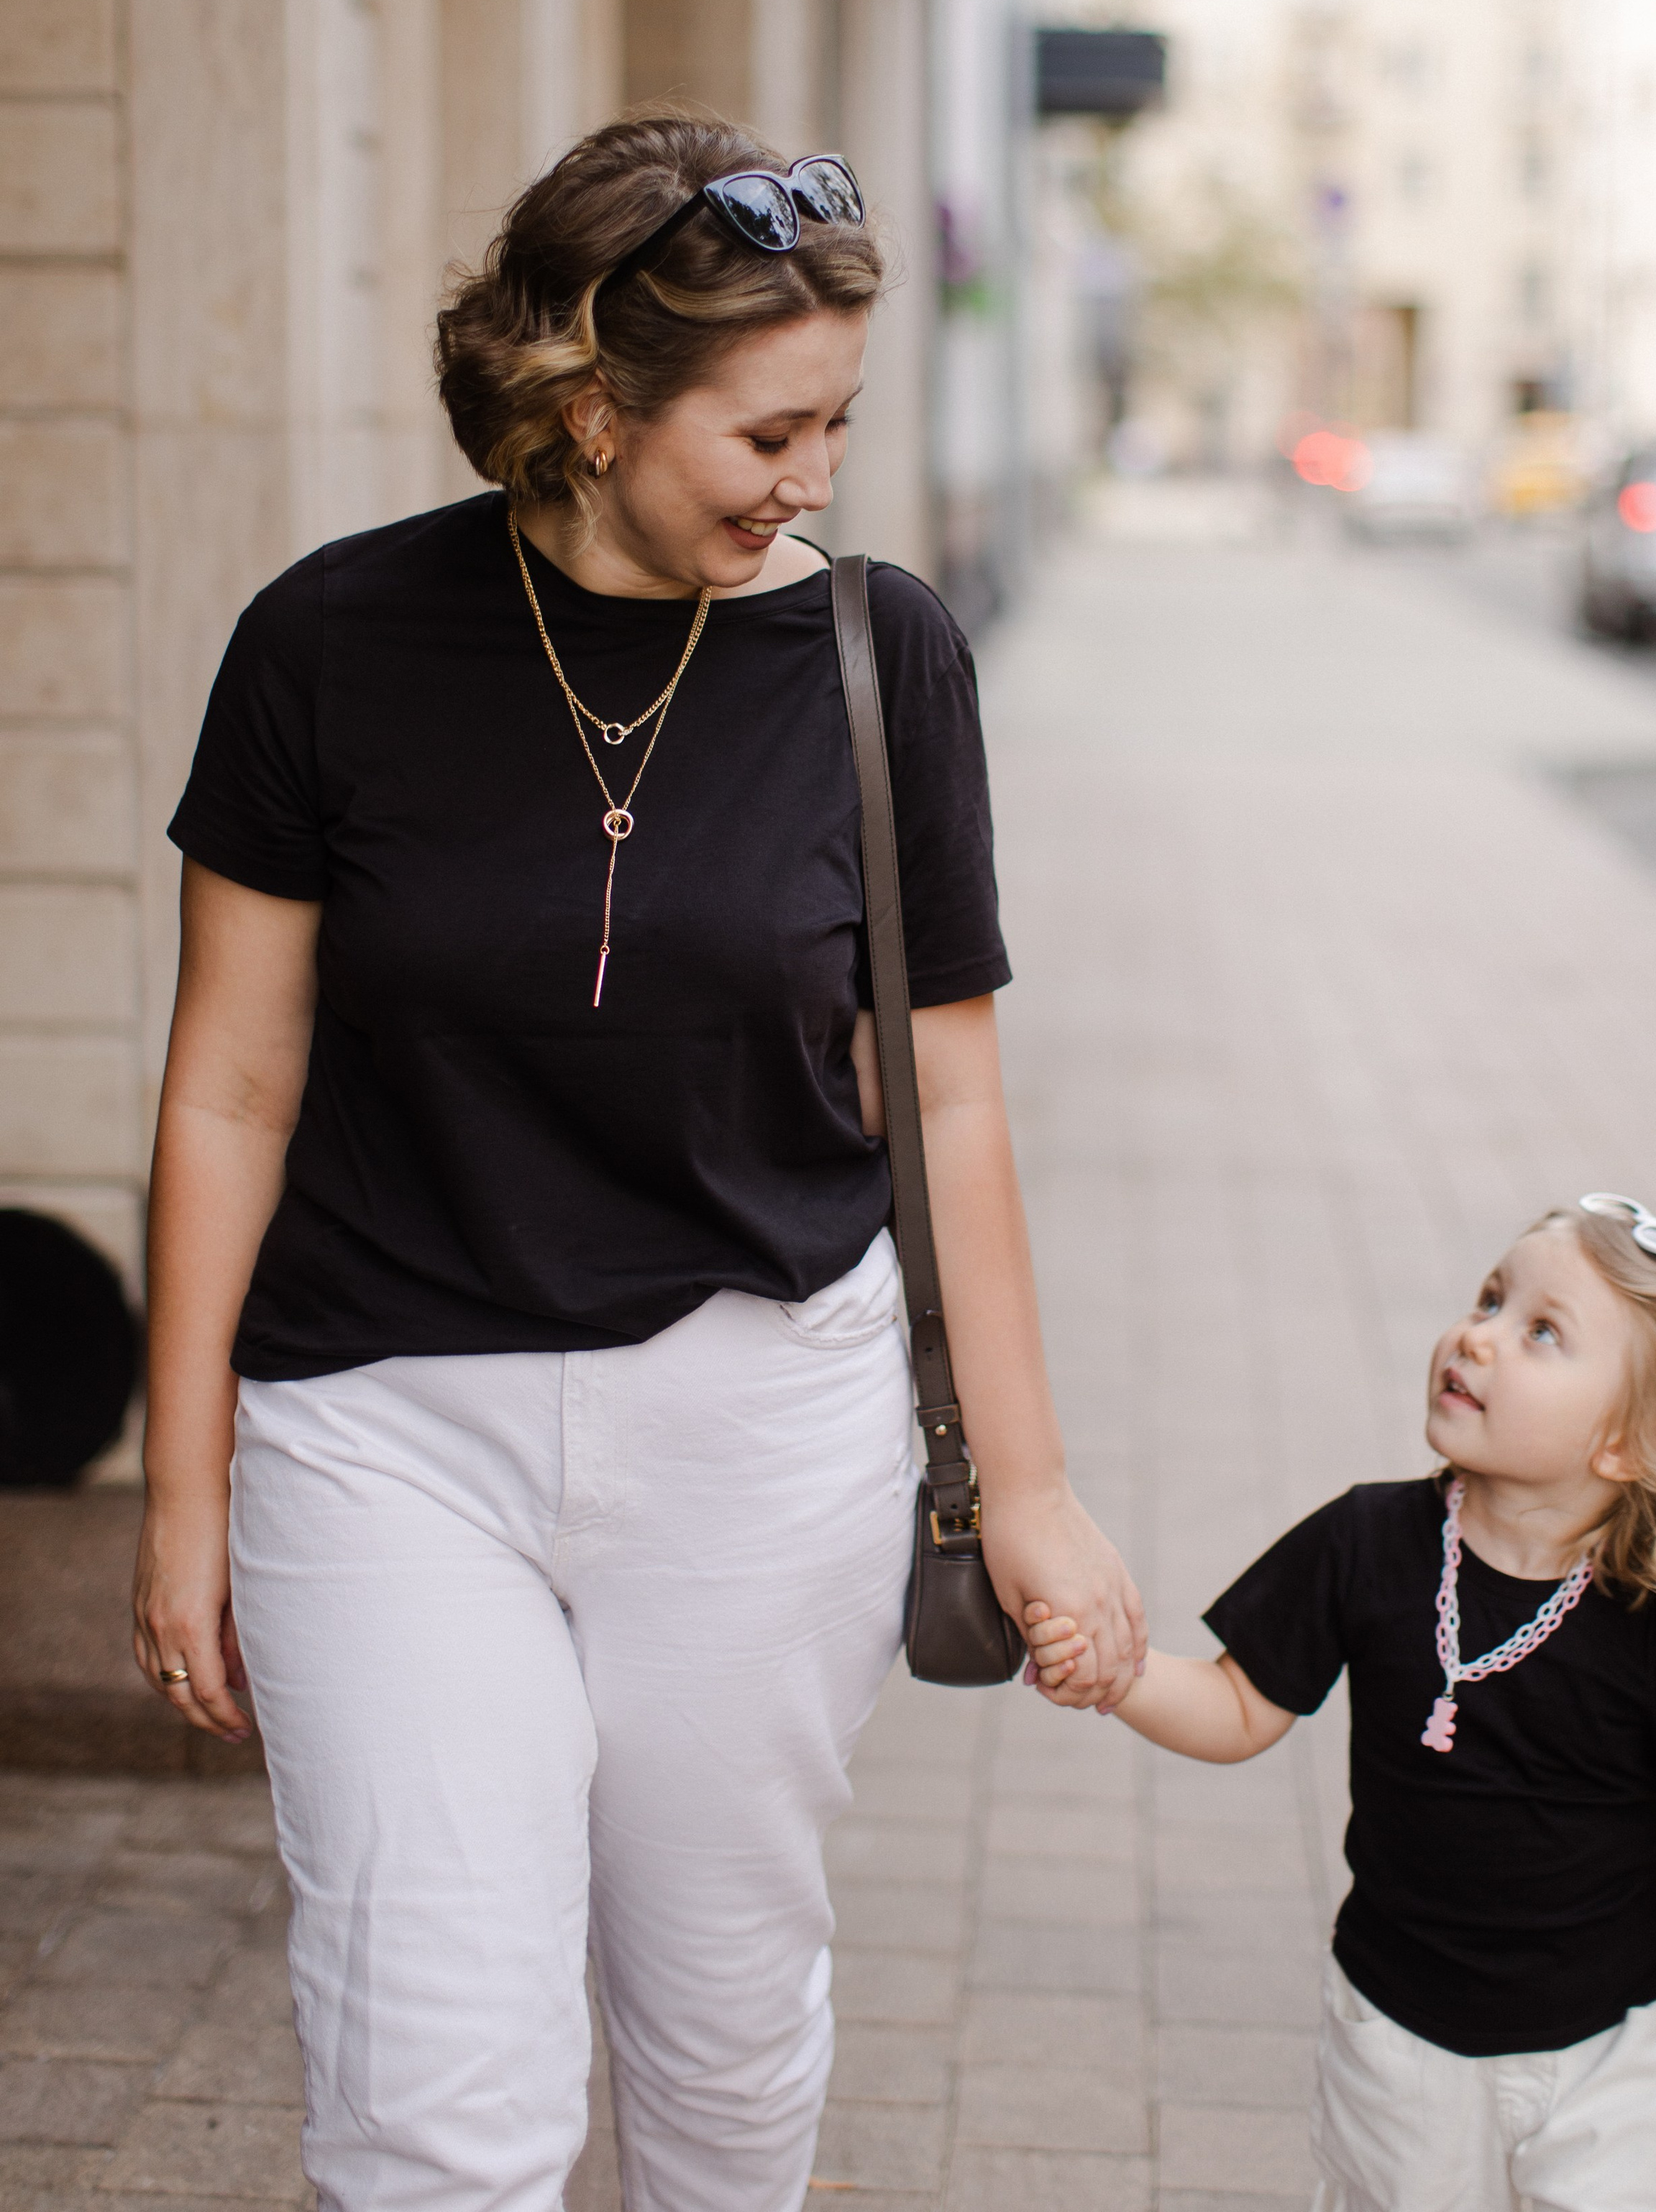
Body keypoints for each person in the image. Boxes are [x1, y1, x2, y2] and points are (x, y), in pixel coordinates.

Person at [132, 107, 1145, 2212]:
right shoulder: (329, 647)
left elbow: (945, 1099)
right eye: (766, 434)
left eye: (837, 426)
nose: (813, 481)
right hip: (384, 1428)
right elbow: (229, 1091)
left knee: (720, 2042)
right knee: (431, 2095)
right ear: (592, 408)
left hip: (764, 1427)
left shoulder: (883, 659)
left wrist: (1029, 1489)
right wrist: (186, 1482)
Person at [1024, 1196, 1656, 2212]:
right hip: (1400, 2038)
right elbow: (1239, 1706)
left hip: (1615, 2052)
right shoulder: (1367, 1542)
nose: (1478, 1335)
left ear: (1629, 1445)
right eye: (1491, 1299)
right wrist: (1120, 1673)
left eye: (1541, 1332)